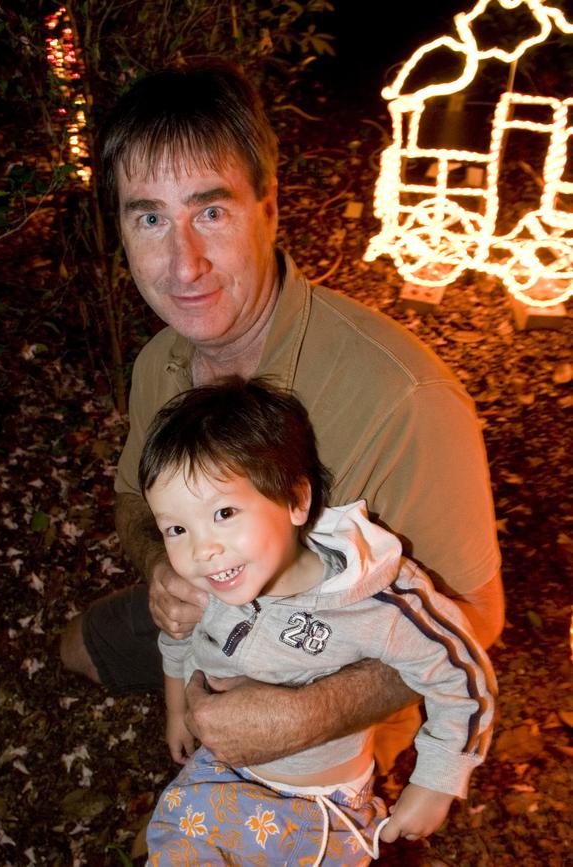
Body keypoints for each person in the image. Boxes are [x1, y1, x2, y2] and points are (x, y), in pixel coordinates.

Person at [60, 58, 504, 774]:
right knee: (73, 647)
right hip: (211, 608)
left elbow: (477, 614)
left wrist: (309, 712)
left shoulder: (405, 399)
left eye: (211, 211)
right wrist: (159, 567)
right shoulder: (157, 365)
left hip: (339, 664)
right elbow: (130, 499)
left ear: (268, 207)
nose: (183, 265)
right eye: (150, 218)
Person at [139, 377, 497, 865]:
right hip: (218, 778)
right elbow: (177, 634)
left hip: (324, 810)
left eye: (224, 512)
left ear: (296, 501)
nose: (202, 549)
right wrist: (176, 707)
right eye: (176, 528)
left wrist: (435, 781)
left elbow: (462, 675)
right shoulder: (208, 580)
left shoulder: (376, 599)